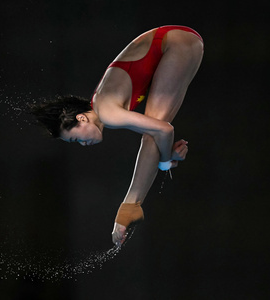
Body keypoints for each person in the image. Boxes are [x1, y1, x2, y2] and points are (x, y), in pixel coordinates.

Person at [30, 25, 204, 247]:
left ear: (81, 119)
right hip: (177, 41)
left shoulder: (108, 113)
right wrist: (166, 155)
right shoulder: (100, 104)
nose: (83, 144)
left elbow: (165, 130)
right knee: (153, 134)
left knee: (153, 135)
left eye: (76, 138)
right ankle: (130, 206)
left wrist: (165, 161)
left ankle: (129, 207)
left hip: (176, 43)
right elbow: (162, 130)